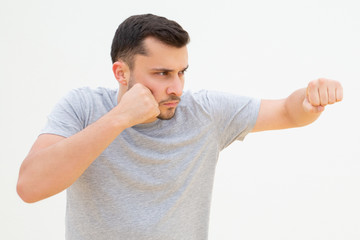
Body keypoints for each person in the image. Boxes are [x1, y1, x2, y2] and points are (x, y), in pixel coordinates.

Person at [16, 14, 343, 240]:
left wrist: (309, 99)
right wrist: (119, 119)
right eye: (162, 74)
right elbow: (30, 187)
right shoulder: (83, 106)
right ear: (121, 73)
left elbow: (287, 111)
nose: (177, 88)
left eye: (181, 72)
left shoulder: (205, 112)